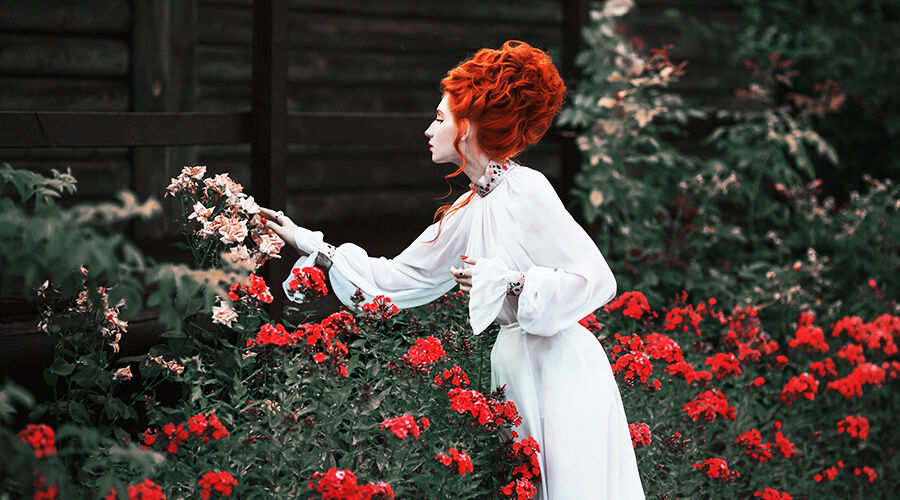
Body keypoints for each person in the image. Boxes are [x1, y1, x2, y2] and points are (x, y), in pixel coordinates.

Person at [260, 40, 645, 499]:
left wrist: (511, 283)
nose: (429, 129)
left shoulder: (527, 190)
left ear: (469, 128)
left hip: (562, 371)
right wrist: (309, 243)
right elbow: (398, 279)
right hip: (516, 368)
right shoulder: (468, 209)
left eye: (440, 119)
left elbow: (597, 280)